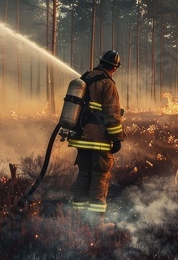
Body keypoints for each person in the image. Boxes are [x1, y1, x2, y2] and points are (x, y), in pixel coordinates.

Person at [69, 50, 124, 228]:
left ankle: (78, 220)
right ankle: (96, 224)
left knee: (84, 174)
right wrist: (116, 138)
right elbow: (112, 113)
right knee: (99, 176)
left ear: (100, 62)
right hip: (99, 139)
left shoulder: (84, 78)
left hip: (81, 137)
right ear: (114, 68)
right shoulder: (107, 84)